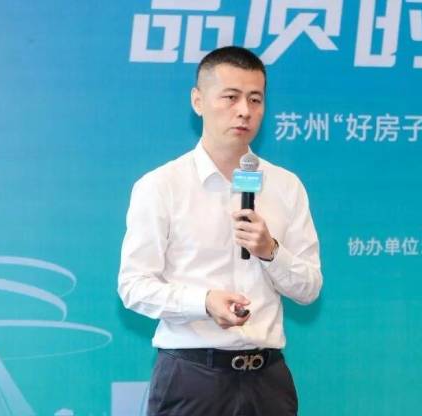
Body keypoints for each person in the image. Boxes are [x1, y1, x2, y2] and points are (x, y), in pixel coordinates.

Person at [118, 46, 322, 415]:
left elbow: (309, 288)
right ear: (198, 101)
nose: (244, 110)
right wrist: (204, 302)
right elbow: (133, 287)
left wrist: (271, 251)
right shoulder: (161, 185)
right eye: (231, 97)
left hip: (267, 380)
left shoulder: (285, 186)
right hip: (192, 377)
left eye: (255, 99)